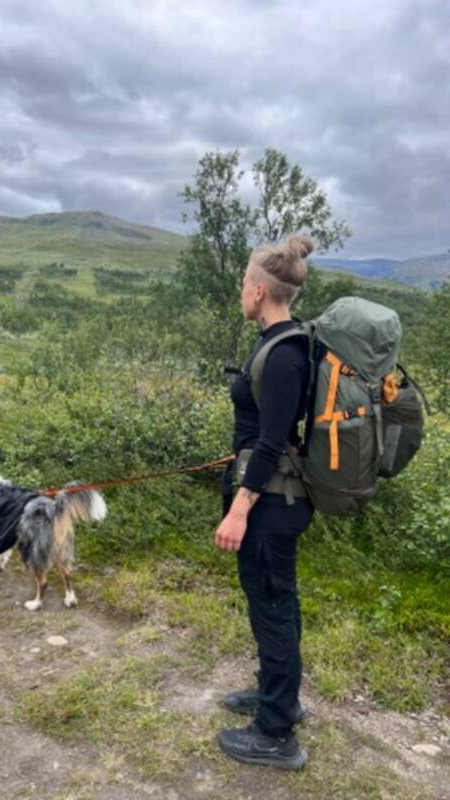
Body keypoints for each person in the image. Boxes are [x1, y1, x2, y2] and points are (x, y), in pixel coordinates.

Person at [215, 234, 315, 771]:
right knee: (276, 604)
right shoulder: (282, 342)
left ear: (258, 291)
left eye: (242, 285)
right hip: (272, 496)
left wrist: (239, 508)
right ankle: (279, 698)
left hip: (272, 504)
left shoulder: (282, 355)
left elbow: (274, 441)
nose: (240, 293)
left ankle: (277, 736)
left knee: (274, 608)